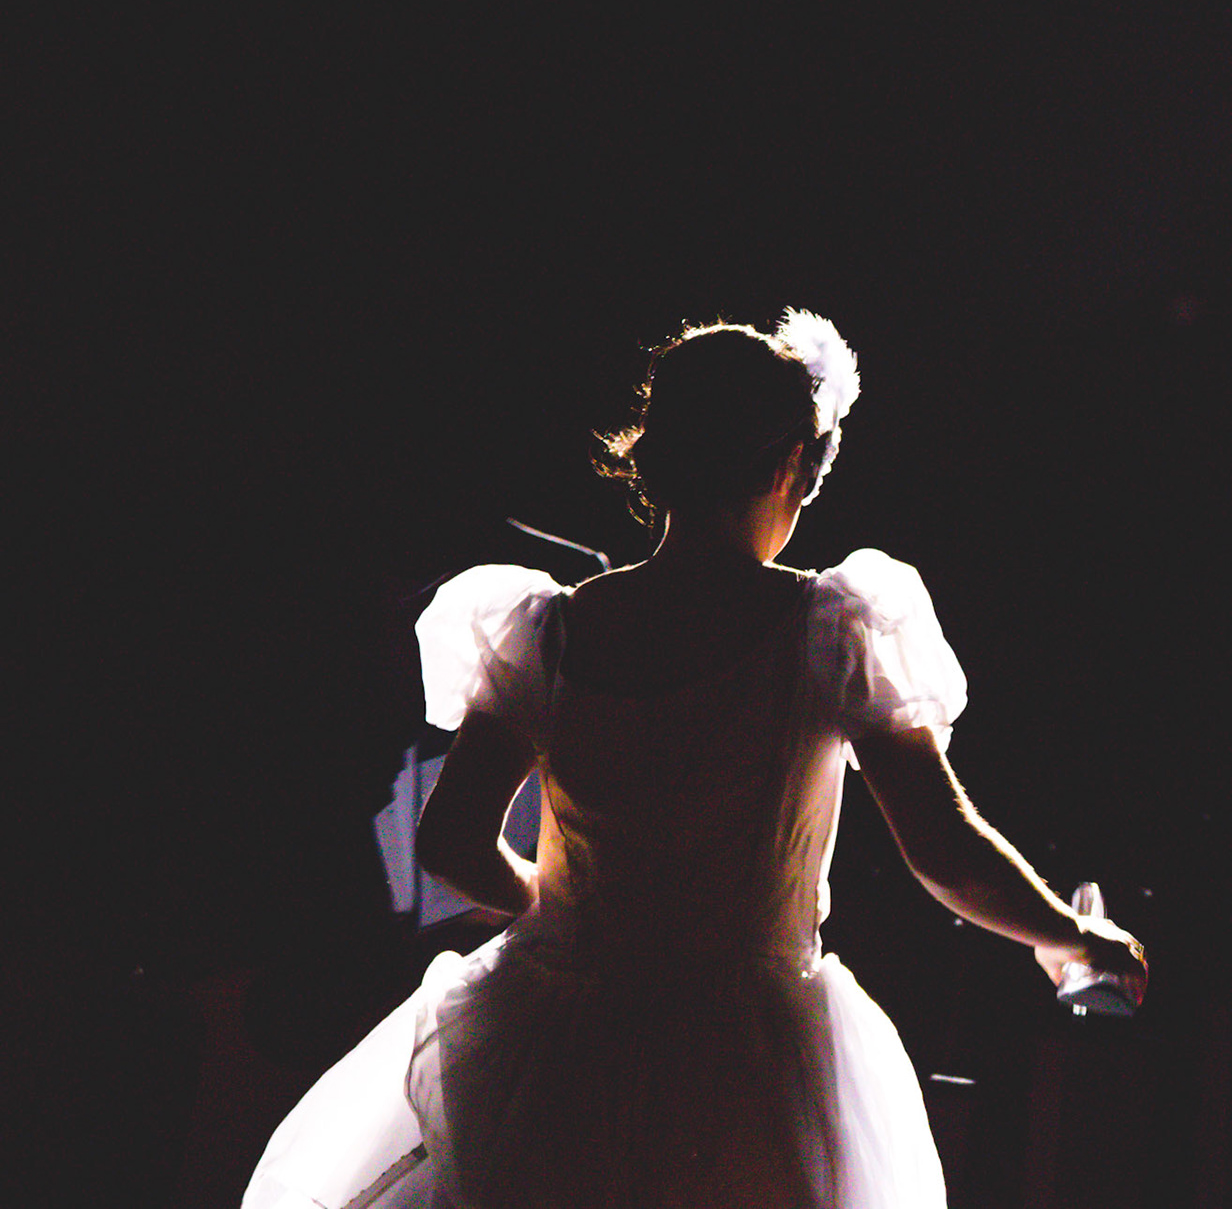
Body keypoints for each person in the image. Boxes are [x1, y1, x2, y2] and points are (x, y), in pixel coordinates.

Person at [242, 310, 1147, 1208]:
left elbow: (450, 844)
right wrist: (1072, 936)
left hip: (561, 1047)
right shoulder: (830, 631)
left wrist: (557, 911)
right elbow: (942, 845)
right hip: (742, 1053)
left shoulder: (548, 632)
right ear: (790, 465)